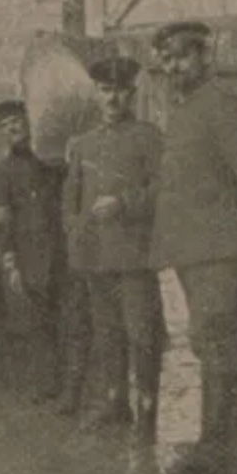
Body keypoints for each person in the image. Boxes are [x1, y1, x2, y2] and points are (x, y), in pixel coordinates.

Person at [151, 21, 237, 474]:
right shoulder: (184, 111)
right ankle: (219, 445)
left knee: (220, 346)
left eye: (182, 56)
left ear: (204, 57)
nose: (172, 66)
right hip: (195, 251)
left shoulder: (221, 105)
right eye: (165, 59)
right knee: (211, 345)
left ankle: (224, 453)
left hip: (220, 251)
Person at [63, 56, 165, 441]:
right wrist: (74, 230)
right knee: (107, 332)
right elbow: (69, 197)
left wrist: (125, 202)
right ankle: (115, 402)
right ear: (96, 94)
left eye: (120, 91)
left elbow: (163, 188)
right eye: (105, 90)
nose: (113, 99)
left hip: (134, 256)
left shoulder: (149, 137)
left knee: (142, 333)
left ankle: (147, 411)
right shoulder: (84, 143)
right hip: (95, 257)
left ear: (132, 94)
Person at [0, 99, 68, 404]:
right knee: (38, 322)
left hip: (61, 250)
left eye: (17, 121)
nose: (13, 128)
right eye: (5, 126)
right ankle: (47, 384)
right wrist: (9, 260)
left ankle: (71, 386)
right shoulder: (3, 170)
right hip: (29, 255)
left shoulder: (51, 160)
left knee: (70, 320)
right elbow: (0, 219)